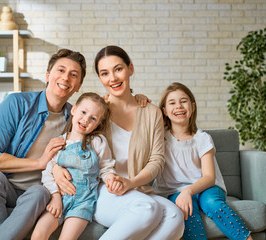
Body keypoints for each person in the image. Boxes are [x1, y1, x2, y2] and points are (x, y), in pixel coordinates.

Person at [53, 45, 185, 240]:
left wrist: (131, 183)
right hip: (100, 190)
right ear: (100, 78)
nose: (113, 78)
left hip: (136, 189)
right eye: (105, 73)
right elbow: (70, 141)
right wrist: (54, 167)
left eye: (118, 69)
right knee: (147, 208)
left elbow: (157, 160)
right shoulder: (97, 112)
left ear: (130, 69)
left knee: (174, 216)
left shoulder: (151, 112)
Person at [0, 49, 87, 240]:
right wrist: (39, 162)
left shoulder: (76, 119)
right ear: (48, 75)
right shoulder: (16, 104)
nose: (66, 78)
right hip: (8, 186)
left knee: (37, 192)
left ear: (78, 86)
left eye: (73, 75)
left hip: (40, 192)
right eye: (60, 70)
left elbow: (101, 123)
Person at [153, 82, 253, 240]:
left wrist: (188, 191)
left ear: (192, 107)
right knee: (187, 210)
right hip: (174, 191)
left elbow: (209, 177)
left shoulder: (202, 138)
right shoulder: (159, 138)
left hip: (207, 187)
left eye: (184, 101)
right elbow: (139, 122)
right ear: (164, 111)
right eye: (172, 103)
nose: (178, 106)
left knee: (213, 203)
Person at [31, 92, 122, 240]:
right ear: (73, 110)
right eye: (83, 112)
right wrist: (55, 197)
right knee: (38, 234)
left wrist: (110, 178)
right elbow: (48, 171)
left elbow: (106, 167)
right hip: (59, 198)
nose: (86, 119)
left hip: (83, 202)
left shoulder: (98, 141)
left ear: (98, 123)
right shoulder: (59, 142)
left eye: (93, 118)